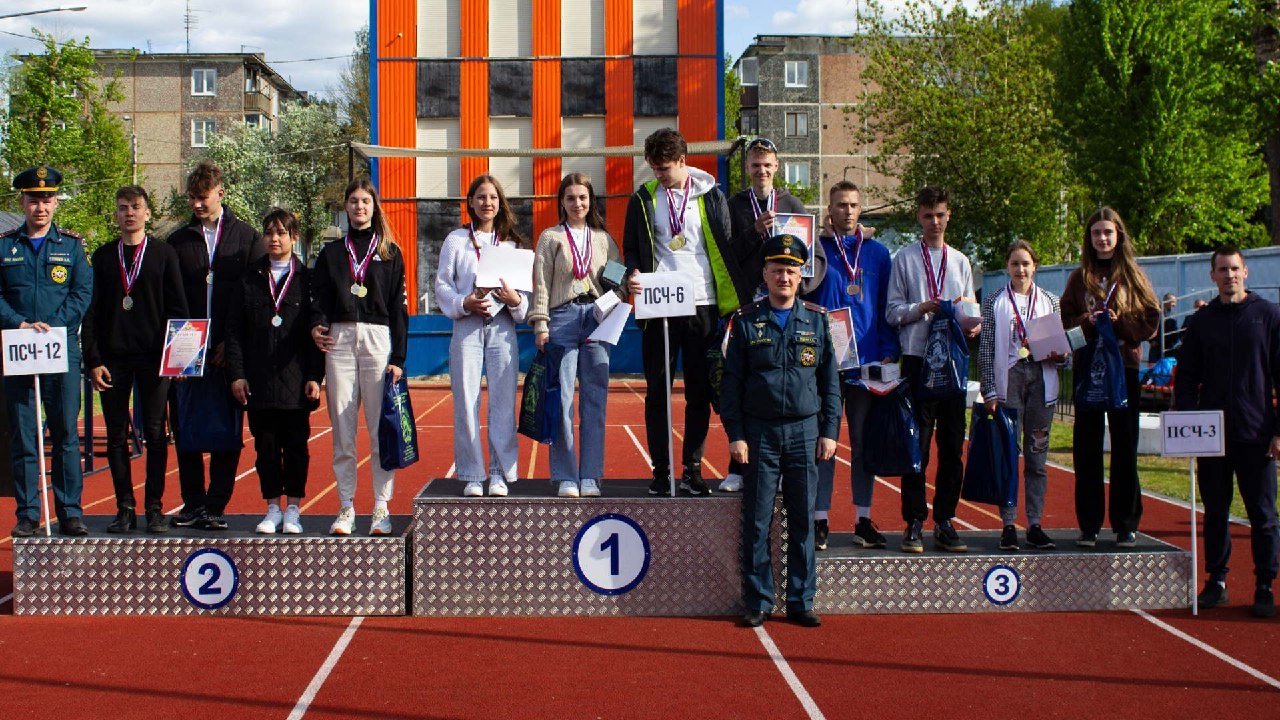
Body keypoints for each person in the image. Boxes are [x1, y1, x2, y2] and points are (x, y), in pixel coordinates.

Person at [721, 234, 840, 628]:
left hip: (805, 433)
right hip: (759, 435)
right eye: (777, 270)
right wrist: (735, 434)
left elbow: (830, 384)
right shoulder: (746, 321)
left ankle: (801, 600)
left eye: (791, 270)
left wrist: (829, 431)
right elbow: (731, 385)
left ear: (801, 274)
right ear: (765, 274)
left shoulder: (818, 321)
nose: (784, 277)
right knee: (757, 520)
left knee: (803, 519)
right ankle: (758, 599)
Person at [623, 127, 748, 496]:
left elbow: (725, 246)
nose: (659, 175)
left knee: (699, 392)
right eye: (654, 168)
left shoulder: (711, 196)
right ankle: (661, 473)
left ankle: (693, 470)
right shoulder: (643, 198)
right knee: (658, 391)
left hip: (703, 303)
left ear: (683, 161)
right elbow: (631, 248)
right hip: (659, 304)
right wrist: (632, 272)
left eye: (664, 168)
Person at [1175, 246, 1280, 619]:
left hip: (1256, 434)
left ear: (1245, 272)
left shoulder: (1268, 316)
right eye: (1222, 269)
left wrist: (1278, 431)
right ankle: (1216, 581)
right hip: (1211, 436)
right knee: (1215, 512)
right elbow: (1186, 377)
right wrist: (1186, 422)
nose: (1229, 275)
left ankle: (1264, 585)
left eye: (1235, 269)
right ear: (1212, 276)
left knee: (1263, 515)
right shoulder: (1201, 322)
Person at [720, 136, 827, 493]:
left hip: (784, 310)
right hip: (748, 308)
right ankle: (736, 465)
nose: (761, 171)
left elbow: (814, 259)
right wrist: (754, 232)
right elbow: (728, 254)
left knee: (783, 384)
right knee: (742, 382)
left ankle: (780, 469)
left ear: (776, 167)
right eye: (755, 165)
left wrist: (801, 292)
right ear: (747, 169)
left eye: (767, 165)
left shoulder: (793, 204)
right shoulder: (735, 205)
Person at [83, 185, 188, 534]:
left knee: (156, 434)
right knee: (116, 436)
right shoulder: (101, 257)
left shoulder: (163, 255)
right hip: (113, 359)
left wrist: (178, 359)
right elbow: (92, 313)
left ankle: (155, 507)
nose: (129, 212)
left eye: (136, 207)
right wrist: (93, 359)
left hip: (155, 359)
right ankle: (124, 507)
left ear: (147, 213)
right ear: (116, 214)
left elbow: (178, 310)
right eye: (123, 207)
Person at [166, 162, 263, 530]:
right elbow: (171, 296)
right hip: (186, 346)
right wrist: (178, 343)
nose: (196, 205)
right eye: (191, 198)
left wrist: (230, 342)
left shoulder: (246, 237)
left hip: (227, 347)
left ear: (220, 193)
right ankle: (192, 503)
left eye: (202, 198)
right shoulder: (178, 241)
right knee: (186, 427)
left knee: (226, 429)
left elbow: (253, 297)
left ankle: (216, 504)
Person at [802, 181, 897, 551]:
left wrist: (889, 349)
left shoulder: (877, 254)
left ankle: (862, 518)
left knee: (863, 445)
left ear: (862, 210)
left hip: (868, 362)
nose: (848, 211)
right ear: (830, 209)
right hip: (826, 362)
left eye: (854, 205)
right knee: (823, 444)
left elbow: (887, 304)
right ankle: (820, 519)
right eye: (841, 205)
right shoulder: (817, 251)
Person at [886, 186, 981, 553]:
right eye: (928, 216)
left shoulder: (960, 260)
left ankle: (944, 519)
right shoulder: (905, 259)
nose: (934, 222)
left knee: (953, 446)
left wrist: (970, 324)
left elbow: (969, 309)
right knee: (917, 446)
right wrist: (920, 308)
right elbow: (891, 312)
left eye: (940, 215)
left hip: (953, 362)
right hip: (917, 359)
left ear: (948, 215)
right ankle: (913, 521)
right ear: (918, 218)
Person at [312, 178, 409, 534]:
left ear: (374, 206)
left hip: (377, 338)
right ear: (346, 207)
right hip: (339, 339)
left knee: (380, 428)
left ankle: (381, 507)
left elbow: (400, 311)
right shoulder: (331, 254)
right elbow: (319, 300)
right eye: (353, 201)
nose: (359, 207)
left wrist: (399, 357)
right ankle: (346, 507)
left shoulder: (389, 253)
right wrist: (317, 325)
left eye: (365, 201)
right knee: (342, 429)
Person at [0, 166, 93, 537]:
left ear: (56, 202)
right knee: (24, 436)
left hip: (61, 351)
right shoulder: (5, 245)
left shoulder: (70, 245)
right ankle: (28, 513)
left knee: (66, 434)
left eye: (48, 199)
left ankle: (70, 511)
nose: (41, 207)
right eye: (34, 199)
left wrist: (55, 325)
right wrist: (18, 323)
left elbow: (82, 292)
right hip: (20, 348)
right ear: (21, 202)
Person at [1061, 206, 1159, 548]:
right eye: (1096, 233)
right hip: (1090, 370)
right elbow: (1065, 322)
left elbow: (1151, 322)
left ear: (1118, 236)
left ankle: (1125, 523)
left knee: (1124, 448)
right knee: (1086, 449)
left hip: (1124, 371)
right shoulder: (1078, 278)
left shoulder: (1133, 276)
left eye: (1108, 233)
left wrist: (1120, 325)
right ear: (1089, 239)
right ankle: (1089, 524)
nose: (1102, 239)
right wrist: (1089, 322)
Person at [227, 209, 323, 535]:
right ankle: (272, 508)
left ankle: (293, 508)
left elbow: (316, 335)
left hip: (296, 382)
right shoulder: (249, 279)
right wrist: (237, 374)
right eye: (269, 233)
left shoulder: (307, 280)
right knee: (265, 449)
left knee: (296, 448)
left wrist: (314, 377)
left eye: (281, 233)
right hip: (259, 381)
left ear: (294, 237)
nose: (274, 239)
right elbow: (235, 332)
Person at [435, 174, 529, 498]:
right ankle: (473, 474)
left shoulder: (512, 243)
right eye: (480, 197)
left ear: (500, 202)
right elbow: (442, 285)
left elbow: (525, 298)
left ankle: (499, 473)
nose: (487, 203)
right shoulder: (456, 240)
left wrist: (514, 300)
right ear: (471, 203)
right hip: (467, 327)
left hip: (503, 328)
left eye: (492, 197)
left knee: (503, 402)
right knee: (465, 400)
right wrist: (464, 302)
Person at [530, 174, 621, 498]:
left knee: (595, 402)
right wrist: (540, 324)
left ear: (590, 201)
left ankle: (591, 476)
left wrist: (613, 302)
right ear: (562, 202)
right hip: (563, 318)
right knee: (563, 399)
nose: (577, 203)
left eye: (582, 197)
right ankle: (567, 475)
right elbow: (540, 283)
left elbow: (617, 282)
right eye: (570, 198)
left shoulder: (603, 239)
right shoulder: (550, 238)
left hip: (597, 319)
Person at [978, 240, 1066, 552]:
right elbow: (986, 348)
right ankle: (1008, 524)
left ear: (1035, 266)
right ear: (1007, 267)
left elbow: (1062, 351)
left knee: (1037, 456)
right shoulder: (993, 302)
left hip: (1041, 380)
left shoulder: (1050, 301)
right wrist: (988, 389)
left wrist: (1060, 355)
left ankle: (1035, 524)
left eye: (1026, 264)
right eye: (1015, 264)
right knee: (1008, 455)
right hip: (1008, 380)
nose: (1021, 270)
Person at [1148, 292, 1180, 362]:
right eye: (1173, 302)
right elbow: (1149, 325)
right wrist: (1151, 340)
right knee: (1154, 368)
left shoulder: (1172, 314)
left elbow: (1175, 329)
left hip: (1168, 346)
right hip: (1156, 346)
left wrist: (1175, 341)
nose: (1175, 305)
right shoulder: (1156, 311)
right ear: (1167, 301)